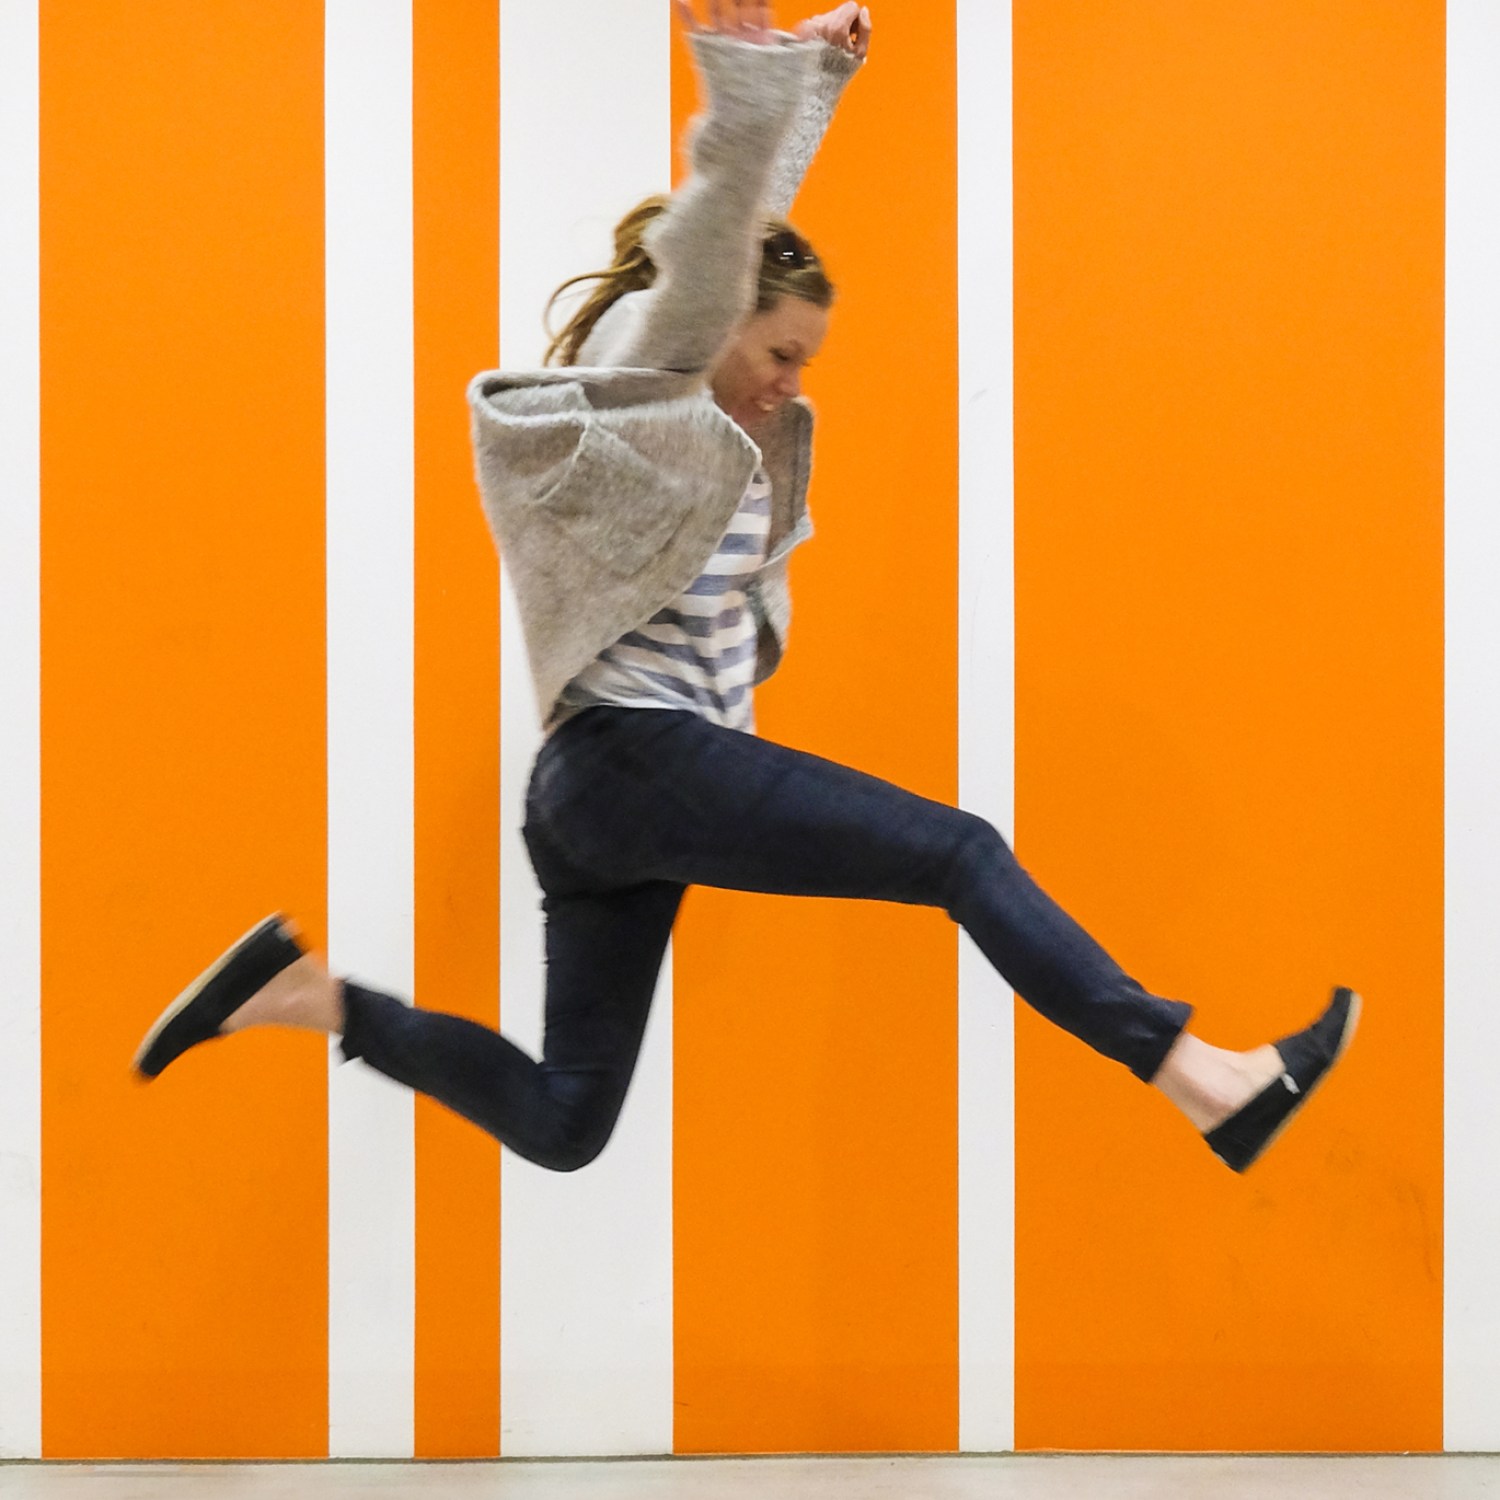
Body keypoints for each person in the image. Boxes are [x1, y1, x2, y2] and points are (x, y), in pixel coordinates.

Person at [134, 0, 1357, 1176]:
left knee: (568, 1122)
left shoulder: (697, 406)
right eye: (778, 353)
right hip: (631, 755)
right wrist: (746, 81)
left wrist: (814, 84)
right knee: (962, 852)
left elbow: (747, 237)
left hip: (595, 800)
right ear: (716, 321)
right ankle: (1208, 1080)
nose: (787, 383)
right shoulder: (638, 385)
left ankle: (305, 996)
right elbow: (722, 227)